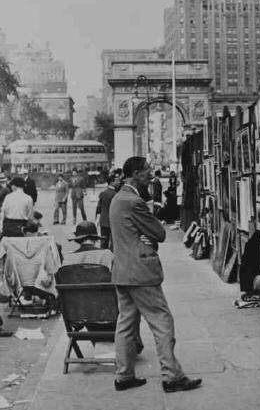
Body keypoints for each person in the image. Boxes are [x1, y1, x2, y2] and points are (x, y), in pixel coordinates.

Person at [109, 156, 201, 393]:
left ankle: (124, 376)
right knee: (162, 321)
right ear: (136, 173)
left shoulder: (118, 198)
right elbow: (159, 233)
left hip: (122, 271)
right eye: (148, 171)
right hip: (141, 272)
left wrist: (143, 234)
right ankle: (172, 377)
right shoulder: (134, 202)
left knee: (126, 324)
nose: (152, 175)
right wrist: (148, 233)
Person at [63, 221, 144, 354]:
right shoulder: (107, 255)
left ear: (78, 240)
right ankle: (132, 343)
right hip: (108, 310)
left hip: (78, 312)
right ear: (95, 239)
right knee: (132, 301)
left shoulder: (68, 259)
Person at [95, 176, 117, 249]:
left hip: (103, 221)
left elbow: (98, 207)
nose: (118, 182)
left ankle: (103, 257)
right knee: (113, 241)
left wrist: (97, 219)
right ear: (112, 182)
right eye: (116, 181)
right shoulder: (116, 195)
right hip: (112, 221)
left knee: (104, 241)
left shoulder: (103, 193)